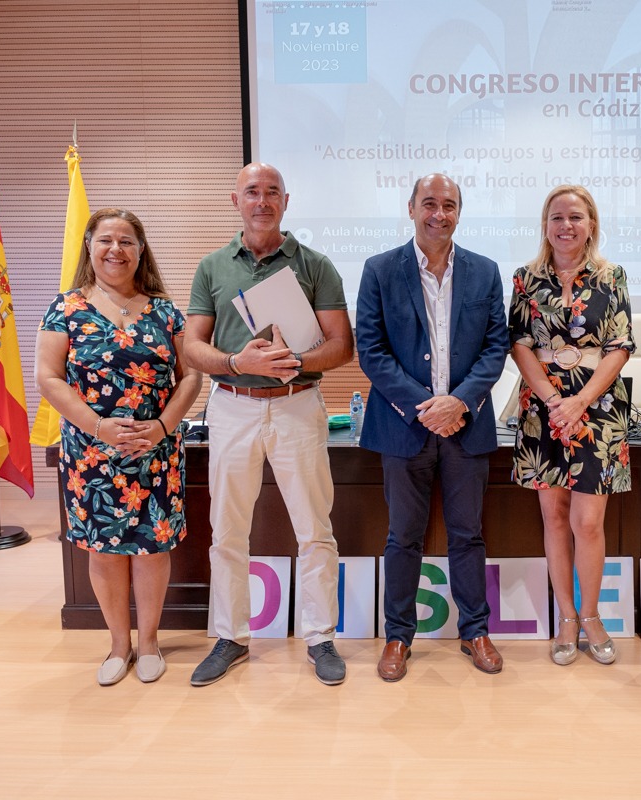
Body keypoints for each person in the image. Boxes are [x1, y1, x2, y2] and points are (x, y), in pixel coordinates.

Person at [183, 163, 354, 687]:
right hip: (232, 405)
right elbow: (191, 347)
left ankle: (320, 638)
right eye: (252, 192)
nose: (263, 200)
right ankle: (231, 637)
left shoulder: (315, 265)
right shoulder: (213, 267)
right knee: (228, 530)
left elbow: (340, 346)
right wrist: (239, 364)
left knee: (314, 529)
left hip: (298, 404)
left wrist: (294, 363)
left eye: (272, 192)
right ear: (235, 200)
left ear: (286, 200)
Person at [36, 208, 202, 685]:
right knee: (105, 551)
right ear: (89, 247)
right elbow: (47, 377)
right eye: (105, 240)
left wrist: (165, 426)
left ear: (141, 250)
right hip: (92, 451)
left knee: (152, 549)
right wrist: (98, 426)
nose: (116, 249)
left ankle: (149, 642)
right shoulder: (65, 308)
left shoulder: (166, 310)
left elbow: (191, 376)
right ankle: (117, 645)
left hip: (156, 449)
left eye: (127, 241)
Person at [355, 173, 509, 682]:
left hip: (468, 427)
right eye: (429, 204)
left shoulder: (485, 272)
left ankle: (475, 631)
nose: (438, 213)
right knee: (403, 537)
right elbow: (371, 351)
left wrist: (460, 404)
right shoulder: (379, 270)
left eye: (448, 205)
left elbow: (495, 348)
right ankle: (398, 636)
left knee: (468, 534)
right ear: (411, 208)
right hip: (403, 427)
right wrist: (425, 406)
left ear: (459, 212)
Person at [508, 185, 633, 666]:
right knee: (554, 518)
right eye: (557, 217)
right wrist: (554, 399)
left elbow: (620, 345)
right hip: (544, 410)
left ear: (592, 224)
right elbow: (519, 343)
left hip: (596, 410)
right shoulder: (525, 278)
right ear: (545, 225)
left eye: (576, 217)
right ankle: (565, 617)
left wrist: (578, 400)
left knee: (588, 522)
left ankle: (591, 615)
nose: (566, 225)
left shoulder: (611, 275)